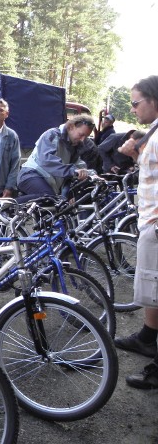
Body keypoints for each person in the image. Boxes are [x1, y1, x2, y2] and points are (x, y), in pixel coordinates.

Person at [113, 75, 158, 390]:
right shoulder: (154, 131)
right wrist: (135, 155)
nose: (132, 108)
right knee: (153, 287)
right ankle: (147, 337)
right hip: (149, 221)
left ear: (153, 100)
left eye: (135, 102)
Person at [17, 114, 96, 199]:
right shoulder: (52, 135)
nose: (83, 139)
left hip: (48, 181)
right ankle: (5, 207)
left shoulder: (75, 146)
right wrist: (73, 171)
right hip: (31, 174)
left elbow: (79, 165)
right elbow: (47, 161)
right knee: (48, 198)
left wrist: (90, 173)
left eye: (86, 137)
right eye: (81, 134)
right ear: (71, 127)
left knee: (58, 204)